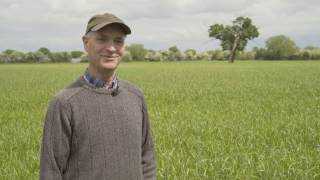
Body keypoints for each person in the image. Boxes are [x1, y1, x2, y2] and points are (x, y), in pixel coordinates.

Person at [39, 13, 156, 180]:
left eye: (118, 40)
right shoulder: (64, 103)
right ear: (86, 43)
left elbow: (147, 158)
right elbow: (50, 172)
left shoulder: (135, 96)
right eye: (102, 39)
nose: (111, 48)